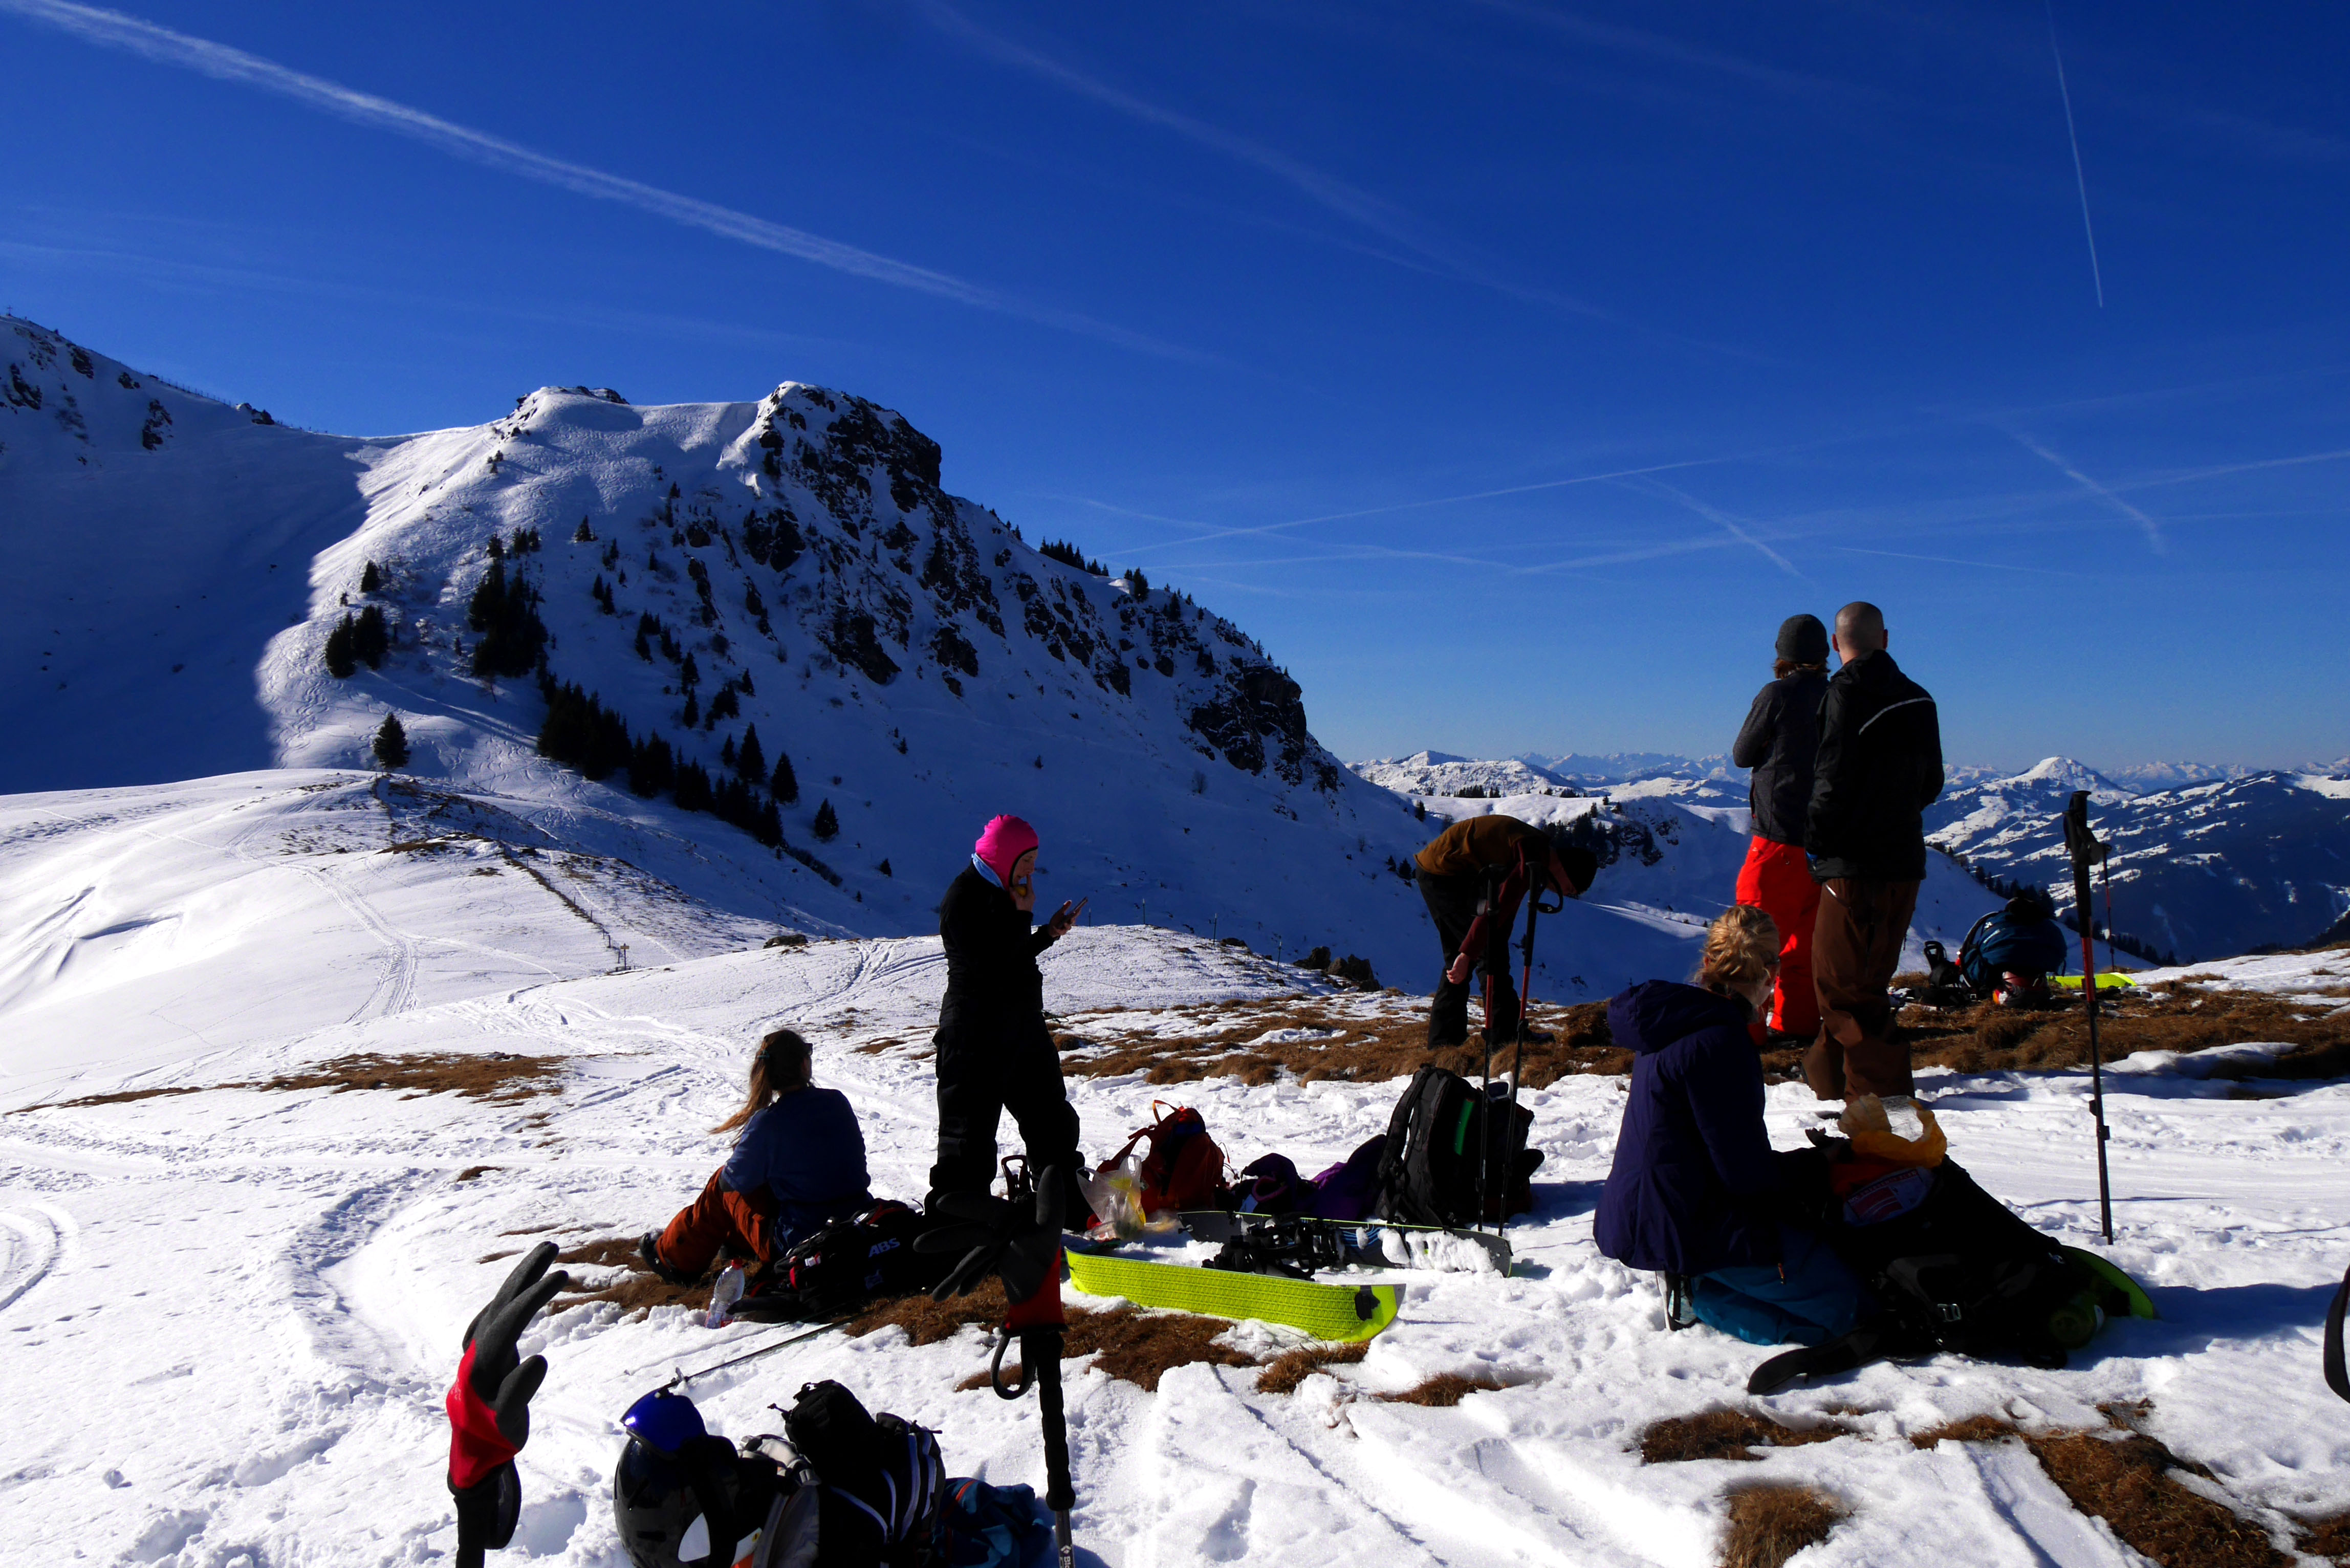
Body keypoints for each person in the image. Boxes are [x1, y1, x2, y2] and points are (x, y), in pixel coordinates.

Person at [1593, 906, 1874, 1346]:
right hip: (1686, 1224)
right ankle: (1699, 1295)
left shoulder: (1671, 1027)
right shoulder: (1720, 1043)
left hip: (1647, 1213)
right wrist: (1819, 1166)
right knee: (1854, 1310)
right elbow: (1745, 1175)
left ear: (1708, 964)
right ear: (1772, 973)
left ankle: (1697, 1282)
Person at [1804, 601, 1943, 1101]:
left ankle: (1887, 1115)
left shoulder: (1842, 693)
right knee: (1861, 983)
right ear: (1883, 638)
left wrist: (1817, 845)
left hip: (1850, 865)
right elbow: (1931, 782)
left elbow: (1830, 779)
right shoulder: (1918, 699)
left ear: (1837, 646)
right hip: (1903, 861)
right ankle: (1826, 1087)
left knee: (1843, 992)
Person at [928, 814, 1089, 1222]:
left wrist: (1046, 934)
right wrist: (1021, 917)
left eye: (1034, 859)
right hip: (974, 1034)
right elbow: (990, 969)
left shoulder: (1004, 888)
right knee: (968, 1139)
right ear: (1004, 854)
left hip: (1020, 1027)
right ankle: (957, 1228)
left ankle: (1061, 1206)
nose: (1033, 869)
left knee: (1051, 1121)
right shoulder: (963, 897)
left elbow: (1012, 959)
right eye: (1027, 859)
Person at [639, 1029, 870, 1283]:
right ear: (804, 1064)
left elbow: (735, 1182)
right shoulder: (837, 1101)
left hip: (799, 1240)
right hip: (857, 1221)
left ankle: (675, 1258)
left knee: (722, 1184)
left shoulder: (768, 1122)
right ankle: (737, 1243)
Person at [1730, 614, 1832, 1041]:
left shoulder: (1778, 694)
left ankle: (1744, 1034)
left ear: (1781, 655)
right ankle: (1797, 1029)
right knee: (1803, 950)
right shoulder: (1837, 696)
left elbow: (1742, 753)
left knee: (1749, 944)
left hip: (1777, 841)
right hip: (1825, 846)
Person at [1412, 814, 1597, 1048]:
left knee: (1475, 955)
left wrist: (1486, 943)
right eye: (1569, 888)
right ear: (1564, 869)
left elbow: (1504, 908)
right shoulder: (1533, 856)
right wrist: (1471, 951)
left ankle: (1447, 1041)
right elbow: (1502, 903)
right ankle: (1503, 1035)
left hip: (1444, 872)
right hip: (1445, 876)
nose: (1564, 892)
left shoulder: (1534, 851)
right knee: (1486, 957)